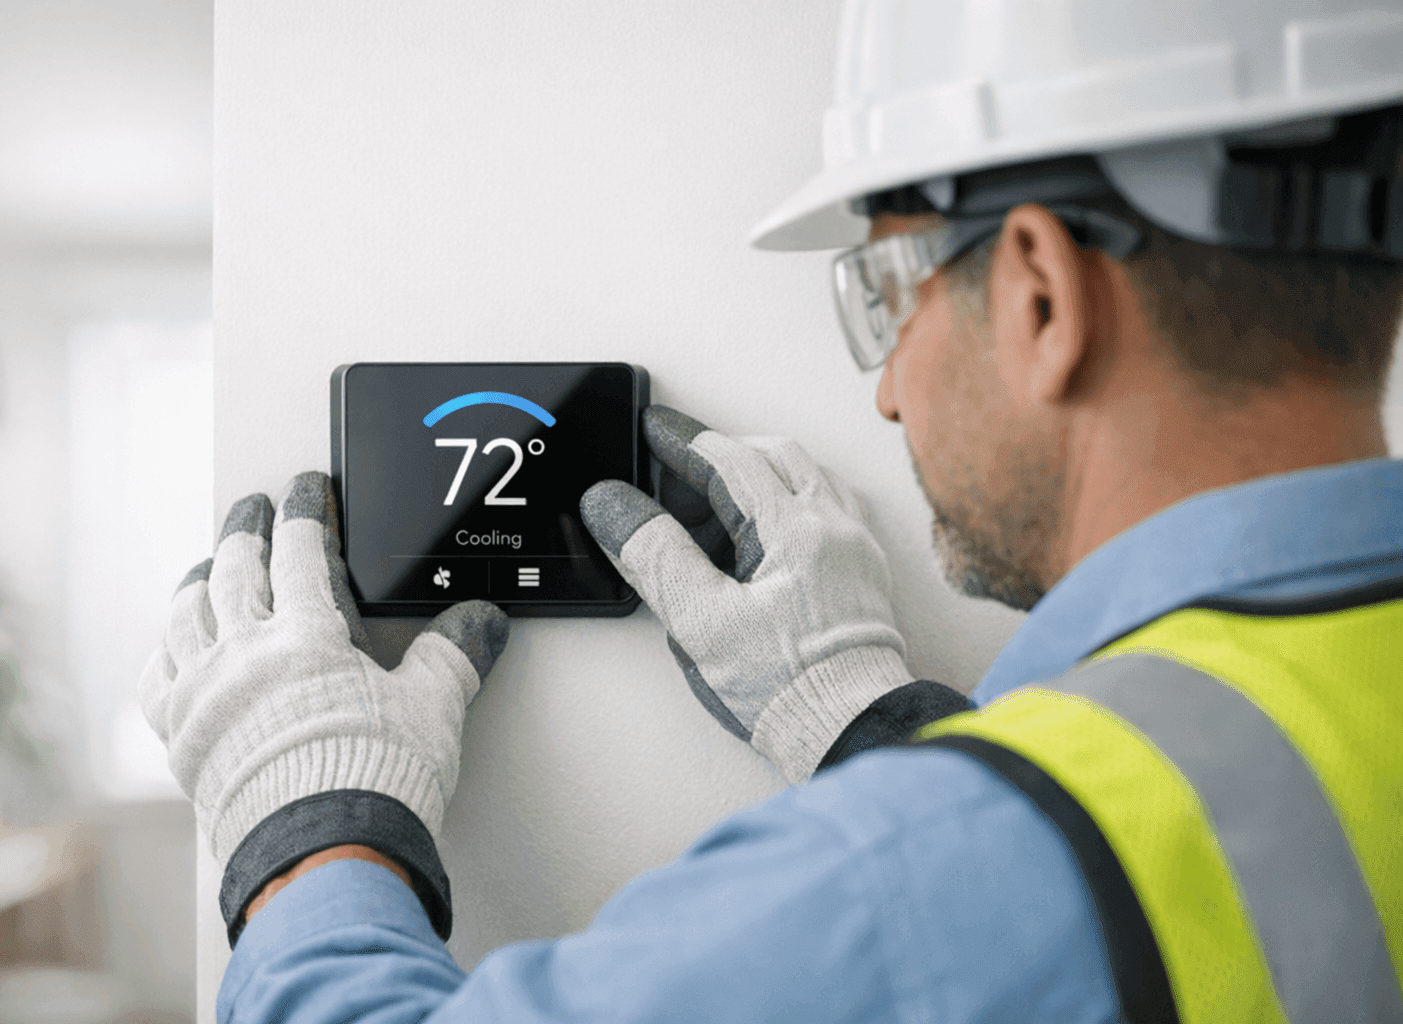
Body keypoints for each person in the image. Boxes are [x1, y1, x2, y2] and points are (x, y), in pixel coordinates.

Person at [140, 0, 1403, 1019]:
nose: (894, 392)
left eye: (887, 292)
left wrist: (308, 821)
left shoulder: (920, 872)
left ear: (1038, 295)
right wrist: (869, 720)